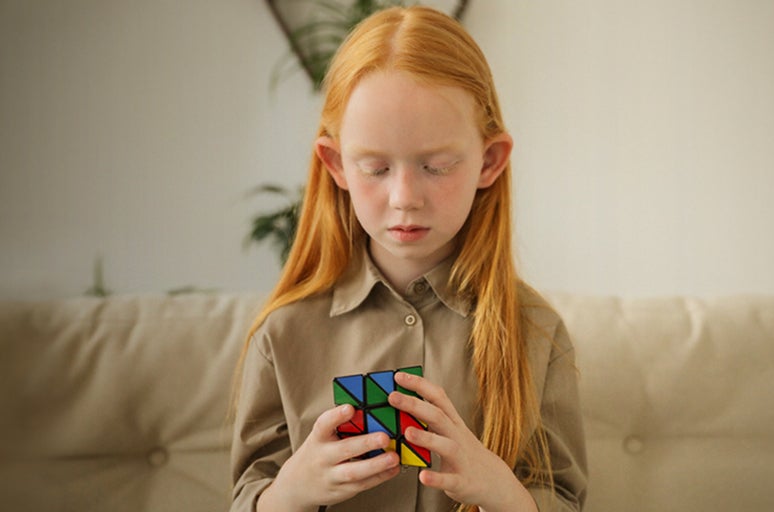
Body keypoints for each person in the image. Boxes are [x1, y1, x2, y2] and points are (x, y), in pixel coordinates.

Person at [231, 6, 586, 511]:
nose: (404, 197)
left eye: (436, 166)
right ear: (336, 165)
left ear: (489, 161)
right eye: (374, 167)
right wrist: (290, 493)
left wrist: (503, 492)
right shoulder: (284, 334)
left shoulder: (537, 333)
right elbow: (248, 494)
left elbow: (564, 498)